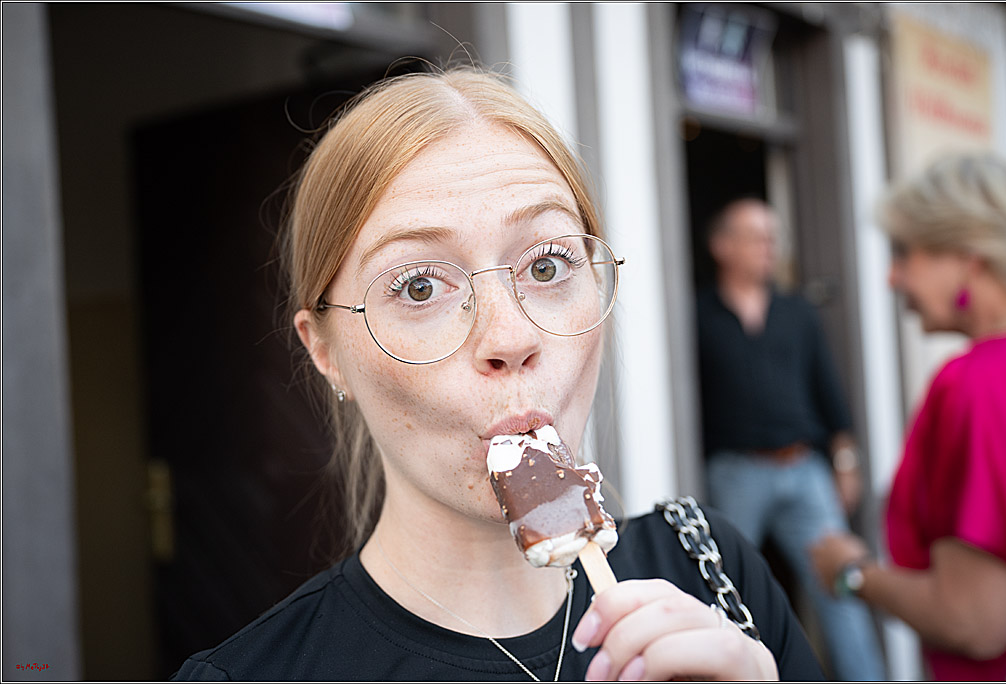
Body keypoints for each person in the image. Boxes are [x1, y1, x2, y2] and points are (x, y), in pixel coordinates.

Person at [170, 66, 824, 681]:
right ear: (325, 351)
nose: (510, 338)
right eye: (420, 286)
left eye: (547, 266)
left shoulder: (713, 571)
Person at [810, 153, 1006, 681]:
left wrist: (852, 573)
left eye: (906, 253)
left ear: (970, 257)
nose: (892, 277)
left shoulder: (977, 383)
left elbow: (978, 620)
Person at [694, 197, 886, 681]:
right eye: (757, 236)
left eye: (772, 237)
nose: (769, 247)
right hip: (736, 473)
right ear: (722, 246)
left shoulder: (797, 311)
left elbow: (829, 389)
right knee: (726, 591)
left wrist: (845, 460)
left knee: (841, 589)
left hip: (804, 470)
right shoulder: (697, 313)